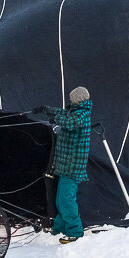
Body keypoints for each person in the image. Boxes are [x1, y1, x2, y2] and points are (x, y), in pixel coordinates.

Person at [43, 86, 93, 243]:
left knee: (66, 199)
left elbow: (70, 123)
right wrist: (45, 109)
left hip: (73, 166)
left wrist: (55, 120)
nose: (70, 100)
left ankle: (75, 231)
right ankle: (59, 227)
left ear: (78, 99)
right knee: (60, 199)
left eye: (72, 98)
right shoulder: (74, 111)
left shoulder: (82, 114)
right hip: (66, 165)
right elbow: (63, 113)